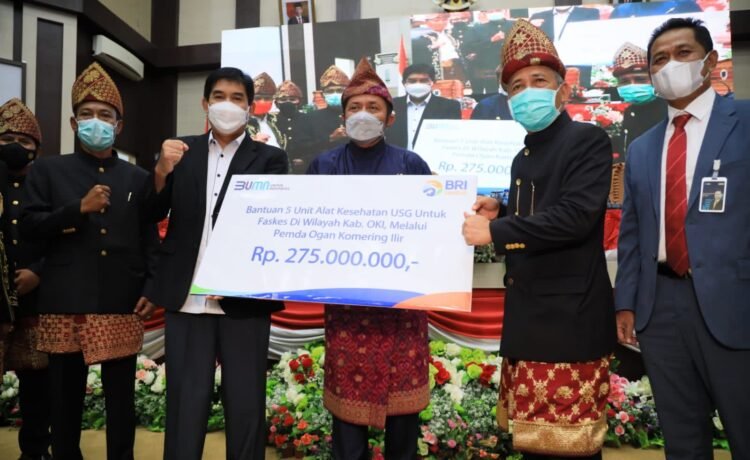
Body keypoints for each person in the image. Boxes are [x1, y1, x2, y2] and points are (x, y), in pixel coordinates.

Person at [462, 19, 615, 458]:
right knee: (533, 446)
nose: (526, 92)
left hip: (569, 323)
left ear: (562, 91)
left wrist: (495, 230)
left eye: (538, 81)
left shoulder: (587, 139)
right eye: (516, 86)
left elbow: (574, 218)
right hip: (531, 320)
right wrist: (503, 212)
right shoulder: (523, 155)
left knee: (571, 448)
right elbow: (541, 217)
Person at [615, 17, 750, 459]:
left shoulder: (745, 121)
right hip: (661, 308)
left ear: (710, 61)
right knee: (682, 440)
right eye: (659, 60)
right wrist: (627, 303)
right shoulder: (643, 147)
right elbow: (632, 234)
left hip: (735, 301)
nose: (670, 64)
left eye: (683, 53)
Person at [143, 67, 288, 460]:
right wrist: (161, 170)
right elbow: (151, 211)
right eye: (219, 96)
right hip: (186, 295)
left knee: (246, 402)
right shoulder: (180, 152)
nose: (227, 104)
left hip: (244, 298)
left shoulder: (271, 159)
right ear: (205, 103)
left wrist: (238, 274)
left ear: (250, 107)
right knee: (185, 402)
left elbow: (272, 226)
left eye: (237, 98)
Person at [20, 62, 158, 460]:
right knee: (63, 404)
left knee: (121, 403)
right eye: (86, 114)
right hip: (65, 298)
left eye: (104, 115)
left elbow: (149, 239)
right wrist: (77, 209)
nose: (95, 121)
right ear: (72, 122)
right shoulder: (47, 170)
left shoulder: (138, 178)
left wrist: (151, 287)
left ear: (118, 125)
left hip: (121, 298)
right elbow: (29, 227)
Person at [307, 57, 431, 460]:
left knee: (403, 417)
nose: (363, 114)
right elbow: (305, 227)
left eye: (373, 107)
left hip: (402, 306)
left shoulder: (411, 165)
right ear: (343, 118)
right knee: (348, 413)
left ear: (389, 118)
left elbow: (433, 230)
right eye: (355, 108)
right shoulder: (323, 166)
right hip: (347, 308)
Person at [0, 98, 51, 460]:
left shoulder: (49, 184)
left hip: (36, 301)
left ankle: (34, 452)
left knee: (38, 388)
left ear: (37, 148)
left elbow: (66, 239)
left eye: (23, 140)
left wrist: (39, 271)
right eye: (6, 140)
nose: (15, 147)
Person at [611, 42, 667, 162]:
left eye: (640, 79)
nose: (632, 85)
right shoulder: (630, 111)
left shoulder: (670, 112)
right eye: (625, 81)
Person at [387, 63, 462, 149]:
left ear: (432, 82)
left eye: (423, 81)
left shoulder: (449, 106)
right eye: (412, 81)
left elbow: (452, 138)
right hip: (398, 156)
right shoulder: (391, 105)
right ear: (404, 83)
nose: (418, 84)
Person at [307, 65, 350, 156]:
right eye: (330, 91)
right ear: (323, 95)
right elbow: (306, 148)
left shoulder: (357, 116)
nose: (335, 94)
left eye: (340, 90)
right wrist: (331, 138)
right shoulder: (312, 118)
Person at [273, 80, 314, 173]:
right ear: (276, 102)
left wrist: (306, 160)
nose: (288, 102)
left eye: (292, 99)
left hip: (305, 170)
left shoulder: (309, 119)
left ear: (299, 101)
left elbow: (318, 145)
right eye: (283, 99)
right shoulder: (272, 121)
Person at [248, 72, 284, 149]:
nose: (262, 102)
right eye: (257, 98)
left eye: (267, 98)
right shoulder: (240, 124)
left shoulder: (278, 120)